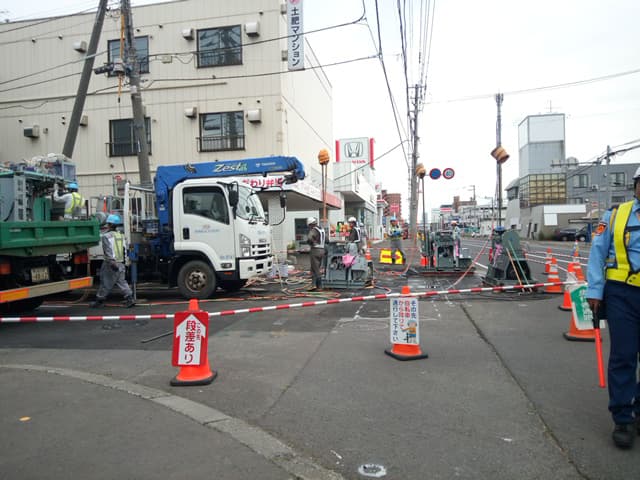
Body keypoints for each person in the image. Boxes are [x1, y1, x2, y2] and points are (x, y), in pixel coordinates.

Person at [586, 165, 640, 449]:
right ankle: (623, 418)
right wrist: (595, 291)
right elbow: (597, 253)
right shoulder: (616, 215)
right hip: (621, 294)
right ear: (636, 186)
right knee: (624, 355)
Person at [91, 214, 135, 308]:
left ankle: (99, 301)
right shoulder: (121, 235)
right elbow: (125, 250)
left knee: (105, 282)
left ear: (109, 224)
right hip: (121, 262)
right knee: (122, 282)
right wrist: (125, 262)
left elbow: (108, 251)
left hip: (111, 263)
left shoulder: (106, 236)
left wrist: (111, 262)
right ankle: (130, 298)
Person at [306, 217, 325, 291]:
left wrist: (312, 243)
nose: (309, 227)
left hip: (315, 250)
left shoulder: (313, 230)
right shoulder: (322, 229)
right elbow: (327, 240)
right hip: (322, 250)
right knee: (315, 268)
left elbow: (309, 238)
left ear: (311, 224)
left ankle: (319, 286)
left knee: (316, 269)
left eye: (309, 225)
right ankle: (313, 285)